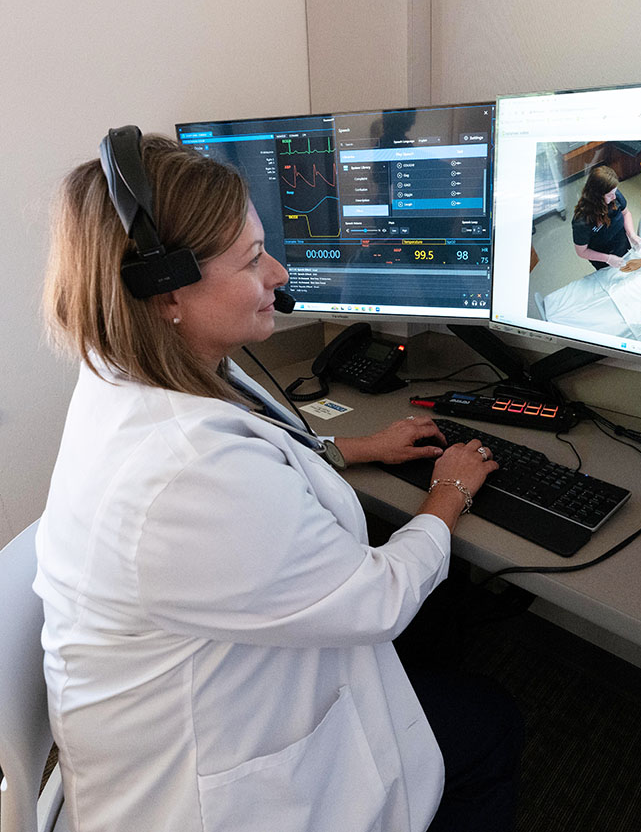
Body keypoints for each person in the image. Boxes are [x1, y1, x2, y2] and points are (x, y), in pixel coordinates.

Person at [34, 133, 522, 832]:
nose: (281, 273)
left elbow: (252, 459)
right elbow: (378, 599)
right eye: (252, 258)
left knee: (439, 663)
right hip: (212, 784)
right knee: (491, 721)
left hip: (195, 690)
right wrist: (450, 492)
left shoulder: (132, 371)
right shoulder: (187, 473)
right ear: (165, 286)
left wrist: (355, 447)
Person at [571, 165, 641, 271]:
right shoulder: (582, 221)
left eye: (614, 192)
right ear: (597, 196)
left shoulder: (614, 195)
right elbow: (581, 251)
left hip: (621, 243)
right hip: (602, 256)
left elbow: (626, 213)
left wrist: (632, 235)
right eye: (610, 195)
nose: (614, 197)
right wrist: (608, 259)